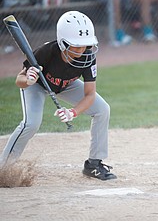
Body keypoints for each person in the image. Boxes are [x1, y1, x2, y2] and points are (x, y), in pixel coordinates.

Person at [0, 11, 116, 181]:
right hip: (37, 86)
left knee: (102, 109)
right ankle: (4, 168)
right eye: (76, 46)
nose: (81, 50)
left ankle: (94, 164)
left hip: (66, 85)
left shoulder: (88, 55)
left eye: (85, 45)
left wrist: (73, 112)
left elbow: (90, 94)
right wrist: (29, 79)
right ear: (62, 43)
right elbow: (20, 80)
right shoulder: (46, 52)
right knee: (31, 124)